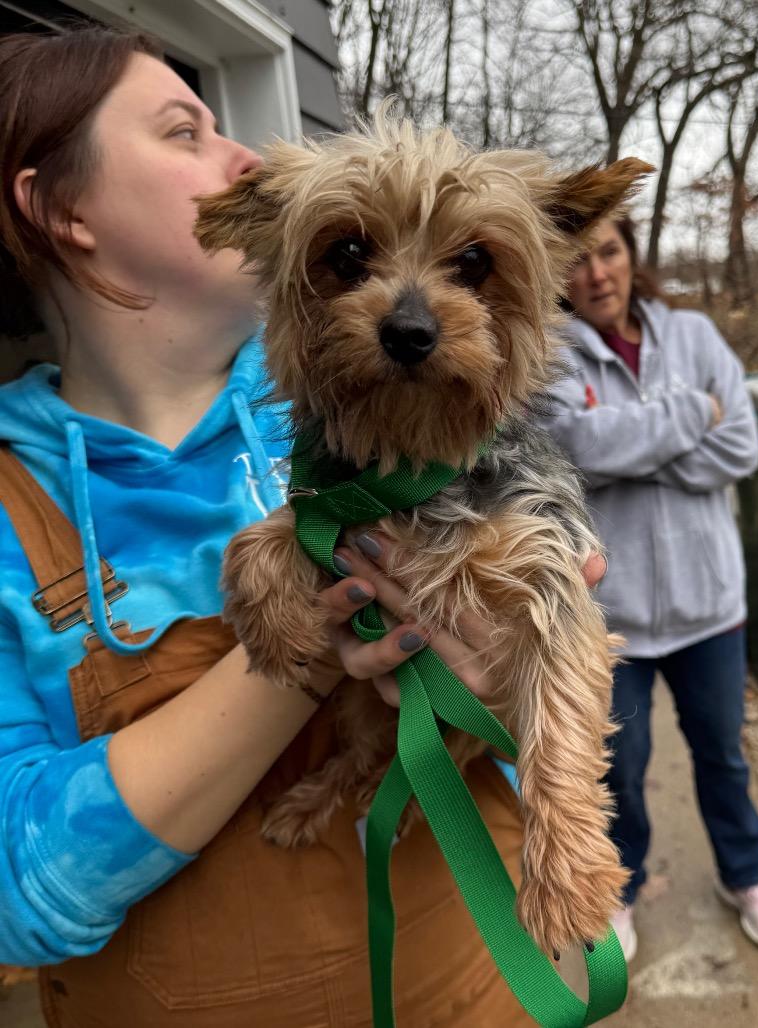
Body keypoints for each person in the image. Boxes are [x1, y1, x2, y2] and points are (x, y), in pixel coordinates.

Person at [0, 25, 602, 1027]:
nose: (246, 152)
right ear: (60, 208)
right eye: (185, 129)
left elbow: (540, 675)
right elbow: (17, 893)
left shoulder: (390, 427)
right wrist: (311, 650)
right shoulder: (17, 511)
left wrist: (504, 685)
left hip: (481, 989)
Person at [540, 216, 758, 960]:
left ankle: (746, 875)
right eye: (577, 259)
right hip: (610, 615)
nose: (595, 273)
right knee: (619, 765)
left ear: (632, 256)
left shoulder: (694, 337)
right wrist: (691, 418)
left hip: (708, 604)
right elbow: (573, 449)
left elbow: (742, 443)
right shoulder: (551, 356)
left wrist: (631, 445)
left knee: (721, 751)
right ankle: (619, 890)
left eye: (609, 252)